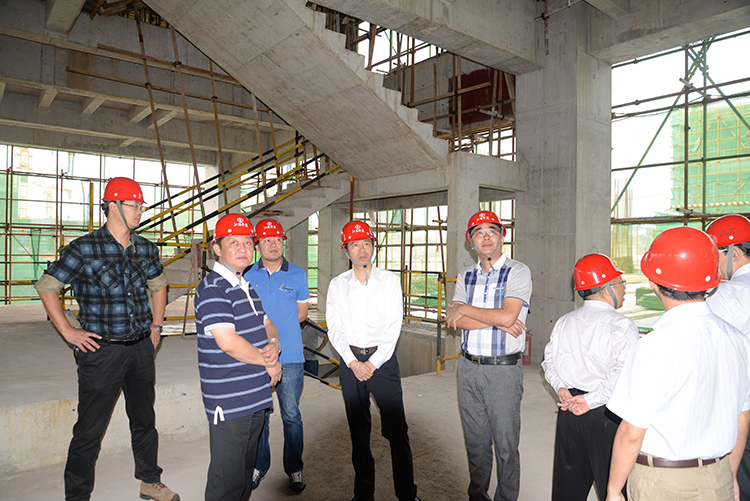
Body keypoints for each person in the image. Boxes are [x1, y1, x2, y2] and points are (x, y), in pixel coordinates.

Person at [34, 177, 179, 501]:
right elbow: (47, 286)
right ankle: (77, 496)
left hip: (141, 348)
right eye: (133, 205)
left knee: (144, 420)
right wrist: (68, 331)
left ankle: (150, 481)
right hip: (102, 353)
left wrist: (156, 327)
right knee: (89, 430)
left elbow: (159, 285)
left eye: (141, 206)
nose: (140, 211)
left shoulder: (145, 248)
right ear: (112, 206)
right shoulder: (84, 248)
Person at [606, 226, 750, 501]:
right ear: (712, 281)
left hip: (665, 482)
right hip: (719, 474)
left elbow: (631, 433)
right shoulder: (738, 340)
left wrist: (614, 489)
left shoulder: (655, 345)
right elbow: (742, 417)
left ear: (653, 283)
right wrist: (731, 475)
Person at [326, 220, 421, 501]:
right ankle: (363, 493)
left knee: (397, 430)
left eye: (366, 243)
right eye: (355, 244)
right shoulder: (338, 285)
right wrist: (353, 362)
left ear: (373, 246)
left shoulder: (389, 281)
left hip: (383, 361)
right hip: (350, 362)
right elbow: (335, 327)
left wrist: (373, 363)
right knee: (358, 431)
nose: (362, 250)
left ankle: (407, 493)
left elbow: (394, 325)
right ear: (346, 250)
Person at [194, 213, 282, 501]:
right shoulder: (213, 288)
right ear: (216, 248)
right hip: (230, 399)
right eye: (234, 242)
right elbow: (228, 342)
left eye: (247, 242)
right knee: (227, 479)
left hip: (255, 394)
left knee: (244, 471)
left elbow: (267, 323)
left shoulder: (247, 286)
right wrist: (269, 361)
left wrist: (274, 344)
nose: (243, 248)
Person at [445, 210, 532, 501]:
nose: (486, 237)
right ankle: (477, 496)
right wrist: (499, 320)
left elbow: (508, 315)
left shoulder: (518, 271)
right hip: (468, 367)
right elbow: (455, 320)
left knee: (506, 446)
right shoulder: (466, 275)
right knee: (476, 444)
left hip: (502, 371)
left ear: (502, 236)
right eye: (478, 232)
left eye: (492, 231)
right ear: (470, 241)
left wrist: (469, 310)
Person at [542, 253, 638, 501]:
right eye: (621, 282)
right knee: (612, 488)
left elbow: (549, 362)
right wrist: (589, 400)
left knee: (567, 488)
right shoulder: (622, 325)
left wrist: (561, 388)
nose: (624, 288)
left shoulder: (565, 321)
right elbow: (623, 374)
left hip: (568, 411)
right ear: (607, 288)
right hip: (606, 414)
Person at [243, 219, 310, 494]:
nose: (273, 244)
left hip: (291, 356)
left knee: (291, 415)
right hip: (256, 356)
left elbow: (302, 313)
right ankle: (259, 466)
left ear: (284, 242)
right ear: (257, 244)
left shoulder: (297, 274)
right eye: (266, 240)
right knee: (260, 415)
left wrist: (280, 334)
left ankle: (294, 468)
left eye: (277, 239)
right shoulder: (247, 274)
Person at [705, 214, 750, 499]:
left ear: (733, 253)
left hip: (738, 406)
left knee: (736, 481)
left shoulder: (726, 294)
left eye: (716, 255)